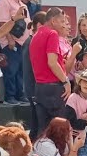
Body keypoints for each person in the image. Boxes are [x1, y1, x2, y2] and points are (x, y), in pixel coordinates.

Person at [31, 8, 80, 138]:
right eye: (62, 21)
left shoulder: (36, 35)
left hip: (39, 87)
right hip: (54, 88)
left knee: (43, 130)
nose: (64, 25)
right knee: (59, 130)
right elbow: (52, 62)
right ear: (53, 21)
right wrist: (65, 81)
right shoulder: (52, 34)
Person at [0, 0, 30, 106]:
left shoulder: (21, 2)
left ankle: (20, 94)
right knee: (11, 70)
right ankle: (9, 96)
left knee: (20, 70)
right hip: (12, 42)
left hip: (22, 42)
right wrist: (10, 40)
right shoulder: (4, 2)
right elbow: (3, 23)